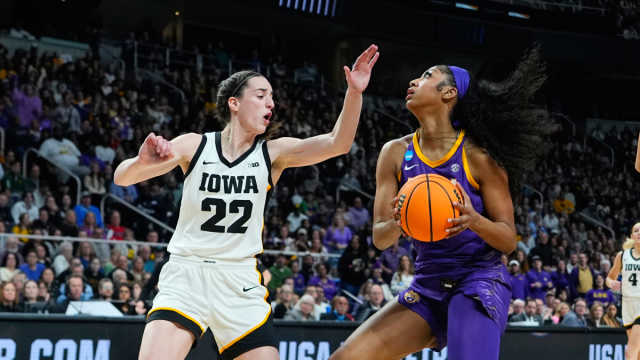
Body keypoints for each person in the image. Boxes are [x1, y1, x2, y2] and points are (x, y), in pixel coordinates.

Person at [114, 45, 379, 360]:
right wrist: (141, 163)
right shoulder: (194, 145)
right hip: (188, 273)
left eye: (272, 98)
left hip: (240, 279)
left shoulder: (273, 154)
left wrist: (354, 93)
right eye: (262, 95)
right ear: (234, 103)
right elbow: (122, 178)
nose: (271, 102)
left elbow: (338, 142)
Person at [331, 47, 551, 360]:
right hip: (427, 285)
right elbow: (380, 239)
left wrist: (474, 220)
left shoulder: (480, 157)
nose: (413, 81)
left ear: (448, 93)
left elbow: (507, 240)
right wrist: (399, 220)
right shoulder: (394, 153)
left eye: (426, 76)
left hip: (478, 280)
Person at [607, 222, 640, 360]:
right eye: (636, 231)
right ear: (632, 236)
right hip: (627, 305)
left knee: (630, 351)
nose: (639, 233)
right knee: (637, 353)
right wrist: (611, 283)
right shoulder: (622, 255)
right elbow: (609, 278)